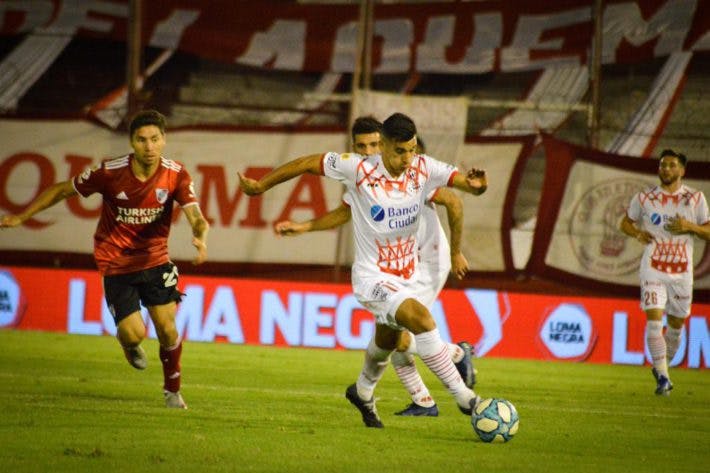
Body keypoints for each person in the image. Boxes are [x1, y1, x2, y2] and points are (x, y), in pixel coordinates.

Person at [239, 112, 487, 427]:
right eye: (400, 151)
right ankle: (466, 398)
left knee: (388, 341)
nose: (408, 158)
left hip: (410, 274)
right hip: (373, 278)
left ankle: (363, 390)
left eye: (412, 150)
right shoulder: (357, 170)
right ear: (383, 147)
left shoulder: (423, 168)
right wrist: (261, 186)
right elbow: (305, 163)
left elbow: (465, 188)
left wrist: (478, 185)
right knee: (421, 320)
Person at [0, 109, 209, 409]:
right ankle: (128, 344)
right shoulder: (110, 173)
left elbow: (197, 217)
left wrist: (199, 236)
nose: (148, 147)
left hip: (155, 260)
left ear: (164, 140)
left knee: (168, 329)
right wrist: (22, 216)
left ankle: (172, 392)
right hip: (116, 263)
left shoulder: (176, 174)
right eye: (141, 140)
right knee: (134, 333)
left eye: (154, 139)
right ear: (131, 142)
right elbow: (63, 190)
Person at [620, 149, 709, 396]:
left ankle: (661, 367)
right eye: (662, 165)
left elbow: (708, 231)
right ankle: (663, 378)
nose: (666, 169)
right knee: (654, 319)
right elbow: (625, 222)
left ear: (682, 170)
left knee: (676, 325)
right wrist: (637, 233)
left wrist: (689, 226)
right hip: (653, 267)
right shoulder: (645, 197)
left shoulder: (696, 198)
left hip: (682, 271)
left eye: (671, 165)